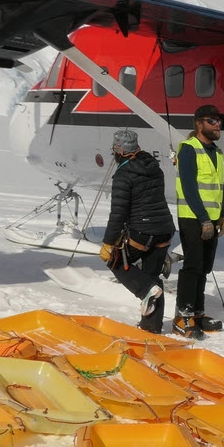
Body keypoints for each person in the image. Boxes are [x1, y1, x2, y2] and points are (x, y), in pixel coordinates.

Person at [98, 129, 176, 333]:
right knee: (152, 276)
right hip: (165, 230)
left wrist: (108, 242)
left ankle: (145, 290)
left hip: (143, 231)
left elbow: (118, 213)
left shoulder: (123, 175)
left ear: (119, 151)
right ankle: (151, 328)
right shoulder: (154, 167)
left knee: (115, 261)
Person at [173, 104, 224, 338]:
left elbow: (219, 187)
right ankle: (182, 316)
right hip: (193, 218)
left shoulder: (217, 152)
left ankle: (197, 312)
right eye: (212, 120)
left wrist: (222, 215)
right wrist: (204, 219)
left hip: (212, 219)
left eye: (219, 120)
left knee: (205, 267)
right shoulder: (188, 149)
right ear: (199, 124)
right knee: (193, 266)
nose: (218, 124)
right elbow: (189, 188)